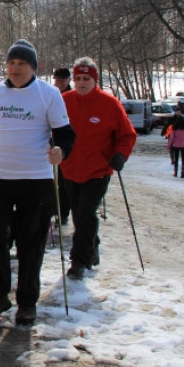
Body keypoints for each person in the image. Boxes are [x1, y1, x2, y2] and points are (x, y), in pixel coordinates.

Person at [0, 39, 75, 327]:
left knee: (30, 244)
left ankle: (27, 303)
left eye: (21, 63)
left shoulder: (48, 94)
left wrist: (61, 151)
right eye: (11, 63)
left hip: (36, 180)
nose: (15, 68)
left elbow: (66, 134)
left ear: (33, 67)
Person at [59, 58, 137, 281]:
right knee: (78, 215)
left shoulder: (110, 104)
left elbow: (127, 134)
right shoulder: (63, 101)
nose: (82, 83)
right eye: (78, 79)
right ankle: (92, 246)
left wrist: (120, 154)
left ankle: (78, 261)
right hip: (70, 168)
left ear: (95, 80)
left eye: (87, 79)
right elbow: (50, 128)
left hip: (99, 169)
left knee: (85, 212)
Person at [52, 67, 74, 226]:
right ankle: (62, 212)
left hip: (69, 144)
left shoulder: (72, 97)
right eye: (56, 79)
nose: (58, 83)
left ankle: (70, 211)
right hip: (56, 145)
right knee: (60, 182)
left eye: (62, 80)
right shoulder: (52, 95)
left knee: (68, 182)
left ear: (68, 80)